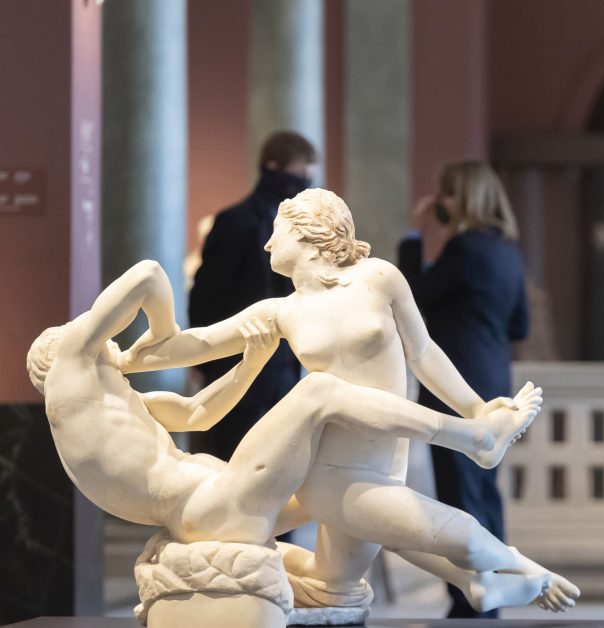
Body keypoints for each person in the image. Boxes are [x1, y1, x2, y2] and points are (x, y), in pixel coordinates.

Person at [122, 189, 579, 612]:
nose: (266, 246)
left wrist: (477, 407)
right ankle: (501, 556)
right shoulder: (280, 312)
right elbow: (194, 344)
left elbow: (423, 353)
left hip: (384, 458)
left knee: (335, 584)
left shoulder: (379, 278)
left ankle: (477, 582)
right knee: (463, 539)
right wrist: (114, 359)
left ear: (308, 231)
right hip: (329, 469)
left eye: (275, 234)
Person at [27, 260, 563, 614]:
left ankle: (476, 577)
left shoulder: (118, 404)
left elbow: (197, 413)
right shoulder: (69, 365)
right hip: (212, 505)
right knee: (320, 394)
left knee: (352, 497)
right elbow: (147, 275)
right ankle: (472, 439)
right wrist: (160, 333)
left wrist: (253, 360)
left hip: (220, 502)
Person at [397, 160, 529, 617]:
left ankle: (472, 603)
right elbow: (520, 324)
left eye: (446, 194)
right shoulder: (507, 250)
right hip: (495, 377)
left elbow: (409, 298)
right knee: (484, 490)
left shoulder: (464, 248)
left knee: (460, 494)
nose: (440, 203)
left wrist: (415, 235)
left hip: (458, 385)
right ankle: (489, 594)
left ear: (464, 198)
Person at [189, 130, 318, 461]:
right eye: (301, 170)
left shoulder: (299, 230)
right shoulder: (236, 222)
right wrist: (204, 356)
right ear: (274, 166)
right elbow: (209, 296)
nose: (305, 179)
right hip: (239, 361)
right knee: (232, 459)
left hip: (284, 364)